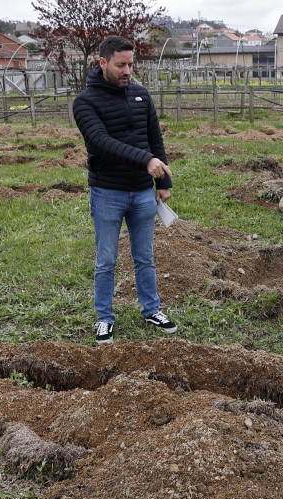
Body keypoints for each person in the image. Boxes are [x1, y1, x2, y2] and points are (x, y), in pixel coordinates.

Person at [73, 35, 177, 345]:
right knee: (106, 259)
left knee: (144, 257)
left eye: (130, 64)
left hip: (143, 192)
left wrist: (164, 182)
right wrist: (146, 160)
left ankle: (151, 309)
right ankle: (104, 317)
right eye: (120, 64)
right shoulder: (85, 102)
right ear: (102, 62)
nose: (127, 70)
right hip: (108, 192)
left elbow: (154, 139)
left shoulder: (141, 95)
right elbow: (101, 143)